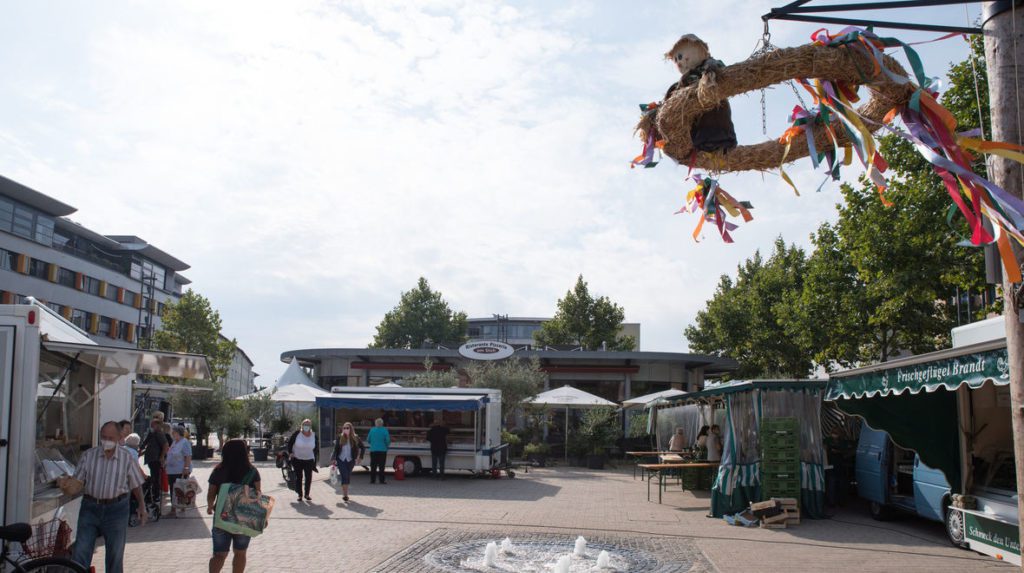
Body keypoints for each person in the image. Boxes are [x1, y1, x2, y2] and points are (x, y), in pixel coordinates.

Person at [70, 421, 147, 573]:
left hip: (117, 509)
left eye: (110, 438)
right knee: (81, 551)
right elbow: (77, 481)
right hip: (90, 507)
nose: (106, 441)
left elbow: (136, 484)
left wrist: (142, 506)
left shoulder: (126, 458)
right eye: (103, 437)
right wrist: (68, 484)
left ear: (119, 438)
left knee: (115, 554)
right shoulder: (89, 456)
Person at [207, 439, 260, 573]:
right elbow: (258, 495)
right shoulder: (252, 471)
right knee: (240, 553)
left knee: (219, 554)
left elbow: (211, 492)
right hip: (244, 517)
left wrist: (209, 506)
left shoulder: (219, 470)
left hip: (221, 516)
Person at [139, 413, 168, 510]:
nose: (152, 426)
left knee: (156, 478)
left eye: (153, 425)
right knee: (154, 476)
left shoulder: (159, 433)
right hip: (151, 459)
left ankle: (156, 495)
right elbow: (146, 444)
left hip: (156, 459)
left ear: (158, 425)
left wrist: (161, 457)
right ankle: (154, 494)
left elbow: (165, 445)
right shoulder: (152, 434)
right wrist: (140, 451)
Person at [287, 419, 319, 502]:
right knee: (299, 477)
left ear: (310, 426)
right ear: (302, 425)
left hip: (309, 459)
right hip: (297, 458)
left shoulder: (314, 435)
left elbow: (316, 447)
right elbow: (290, 443)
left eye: (308, 425)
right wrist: (290, 452)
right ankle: (300, 495)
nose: (306, 426)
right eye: (305, 424)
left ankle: (307, 494)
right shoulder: (297, 434)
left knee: (308, 477)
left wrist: (315, 458)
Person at [331, 422, 364, 502]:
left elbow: (362, 447)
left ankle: (345, 493)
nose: (345, 429)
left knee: (347, 476)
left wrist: (360, 457)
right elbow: (336, 449)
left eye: (347, 428)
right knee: (344, 475)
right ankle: (345, 495)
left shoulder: (355, 438)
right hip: (341, 459)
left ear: (351, 429)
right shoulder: (340, 437)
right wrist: (333, 458)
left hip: (350, 460)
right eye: (344, 428)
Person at [166, 425, 193, 517]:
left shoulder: (184, 442)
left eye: (173, 432)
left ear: (178, 433)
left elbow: (188, 456)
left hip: (179, 470)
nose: (172, 434)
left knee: (178, 489)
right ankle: (180, 507)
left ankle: (174, 509)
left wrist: (186, 468)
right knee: (175, 489)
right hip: (171, 470)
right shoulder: (175, 442)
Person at [367, 418, 390, 484]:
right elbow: (388, 440)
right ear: (382, 423)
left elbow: (368, 440)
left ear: (375, 423)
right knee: (382, 466)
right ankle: (381, 480)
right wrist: (386, 446)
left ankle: (372, 480)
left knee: (373, 466)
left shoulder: (372, 430)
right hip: (382, 451)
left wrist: (373, 444)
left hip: (373, 450)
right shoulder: (385, 430)